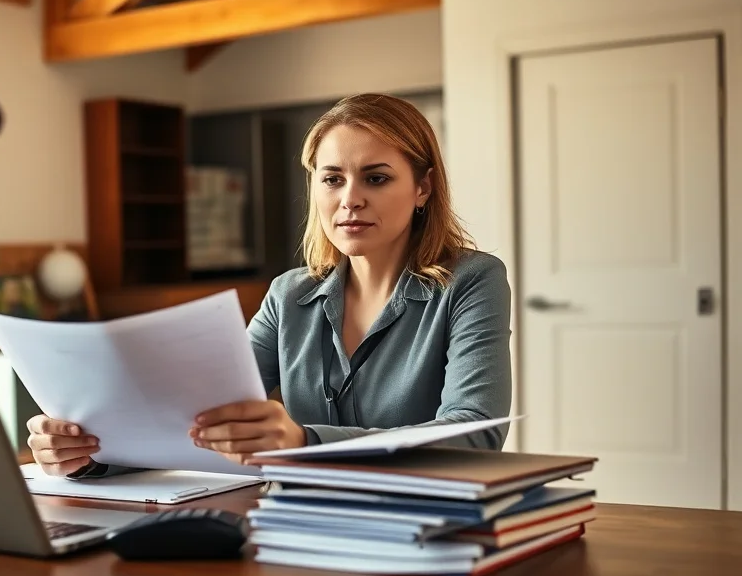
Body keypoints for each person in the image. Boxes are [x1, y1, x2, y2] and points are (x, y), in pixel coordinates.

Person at [26, 93, 512, 478]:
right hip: (294, 520)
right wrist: (90, 452)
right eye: (332, 178)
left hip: (423, 523)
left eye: (377, 178)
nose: (350, 200)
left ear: (422, 187)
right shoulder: (288, 295)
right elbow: (194, 418)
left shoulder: (473, 281)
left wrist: (304, 441)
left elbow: (474, 432)